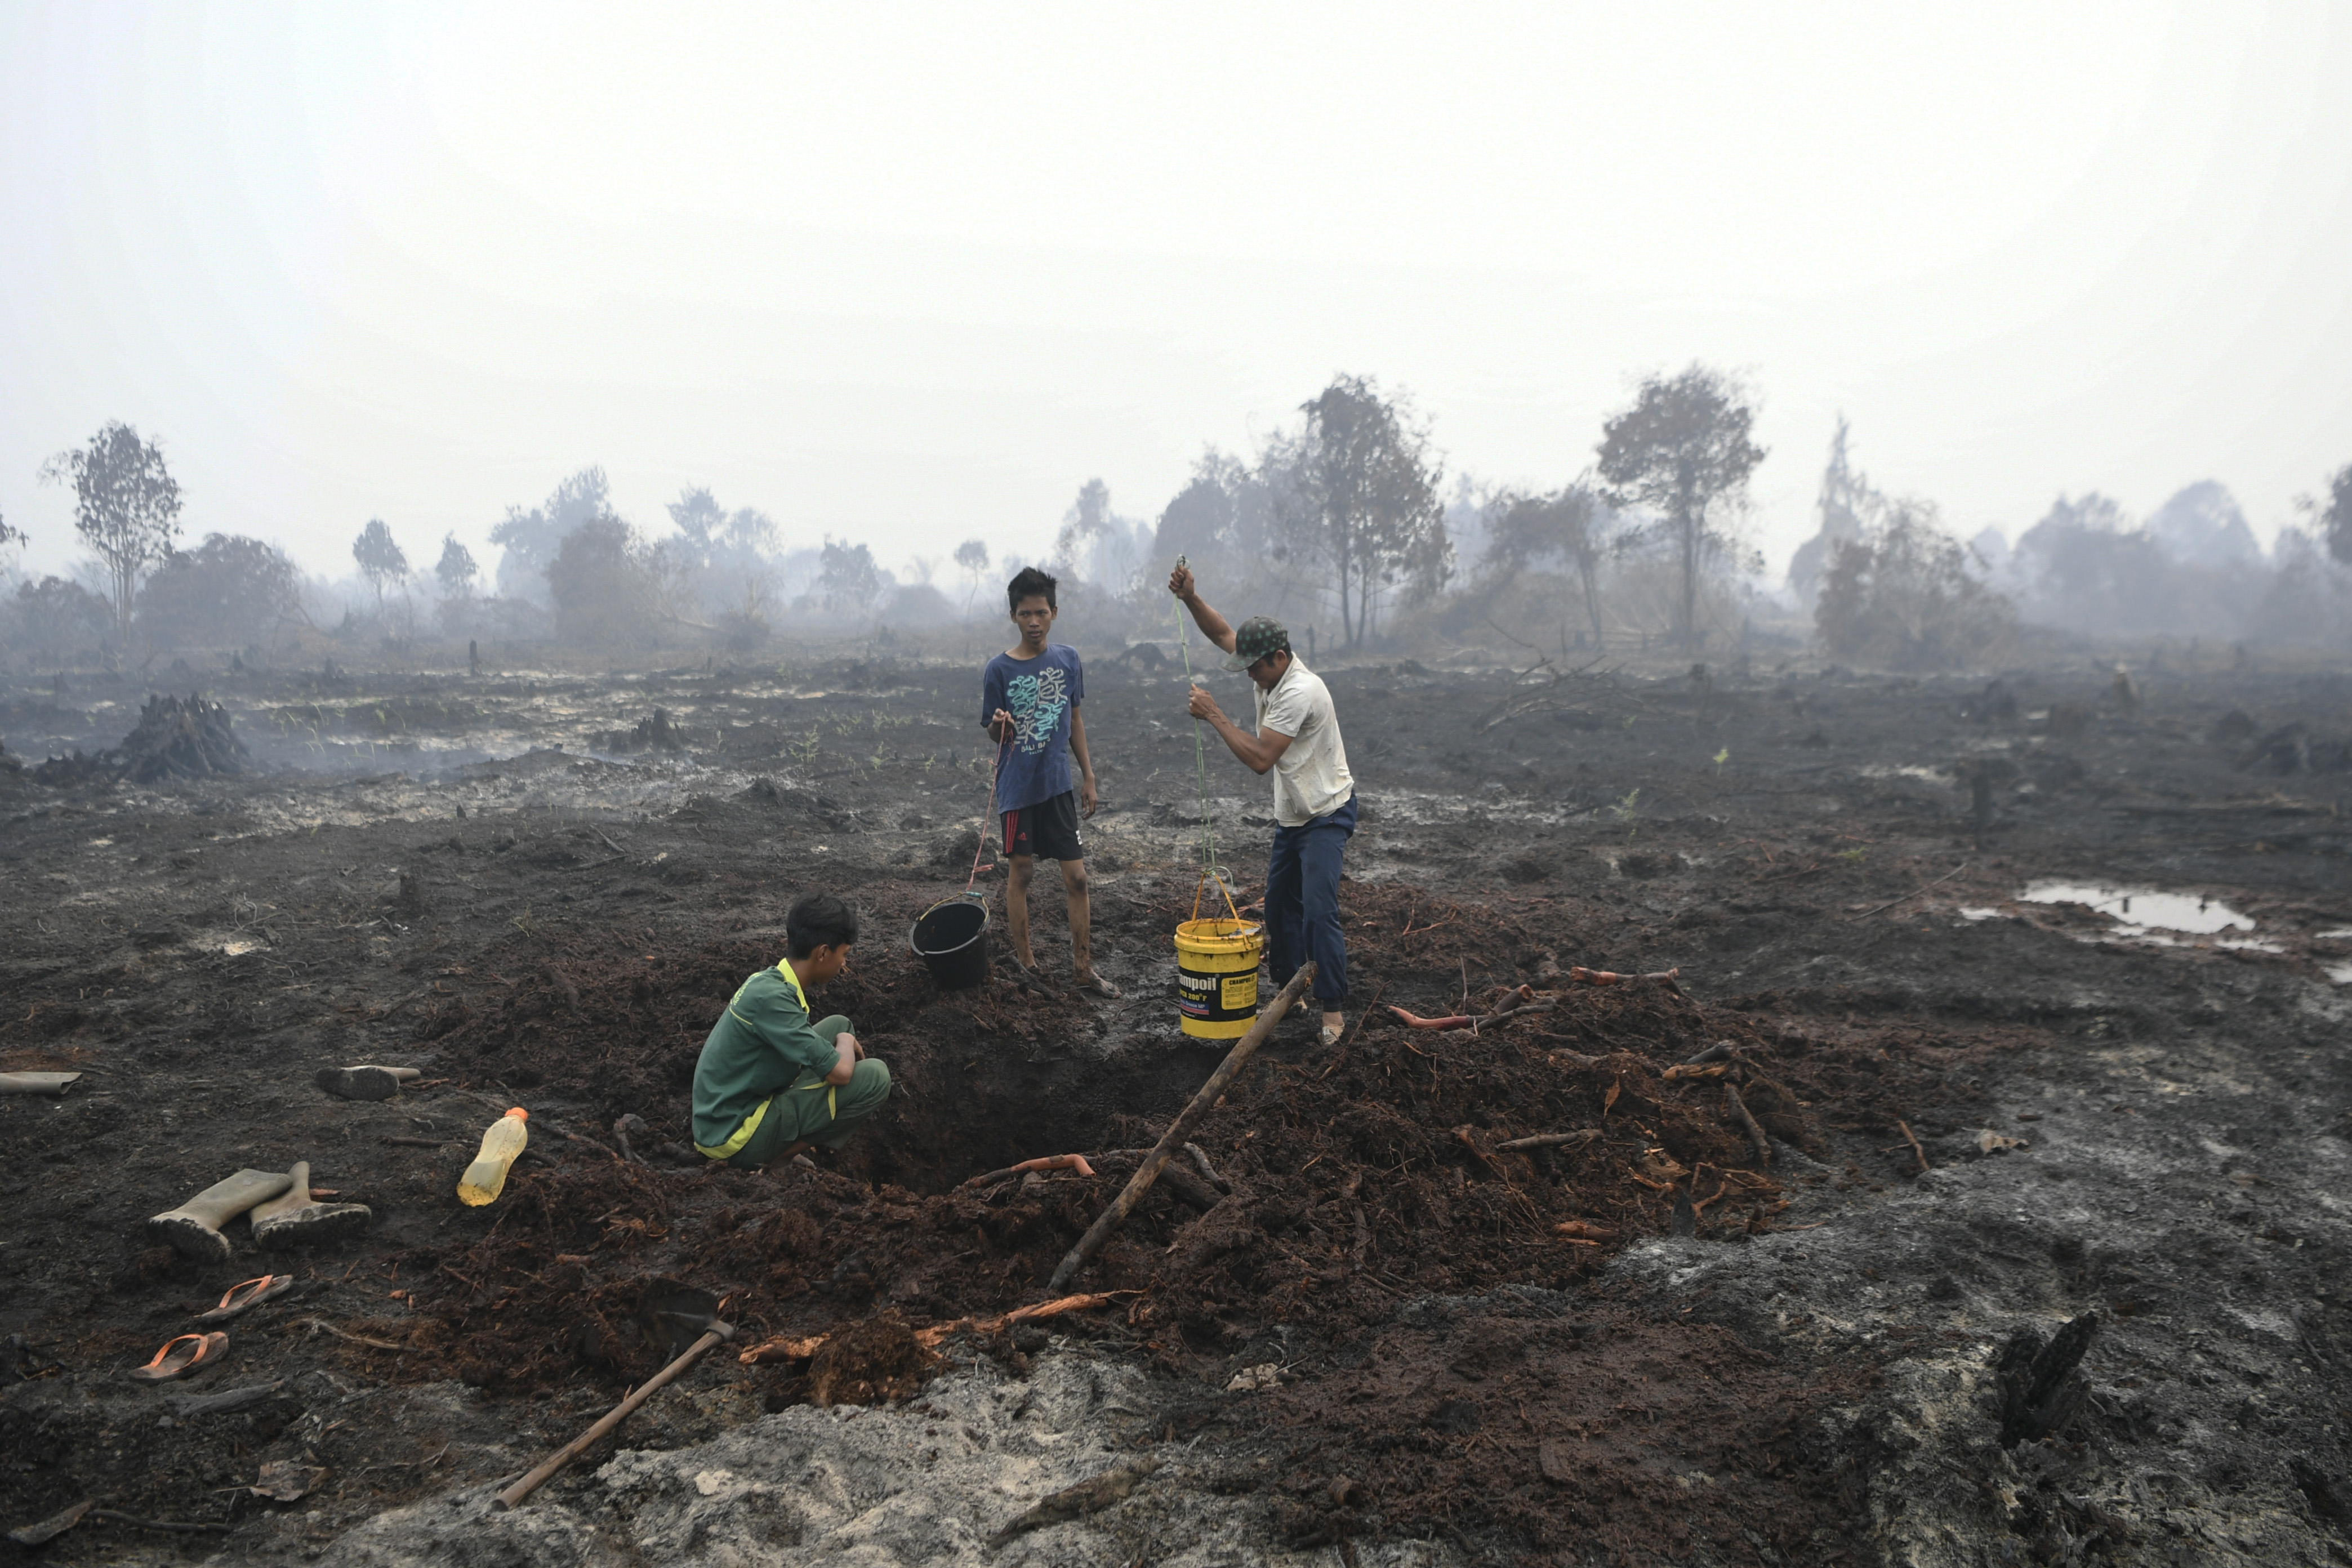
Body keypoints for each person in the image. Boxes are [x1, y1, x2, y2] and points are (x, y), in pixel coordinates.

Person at [1169, 564, 1356, 1046]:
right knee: (1278, 912)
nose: (1249, 673)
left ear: (1279, 656)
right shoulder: (1269, 671)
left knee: (1318, 911)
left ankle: (1333, 1011)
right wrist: (1192, 598)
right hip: (1293, 816)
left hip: (1326, 814)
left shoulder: (1298, 691)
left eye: (1255, 667)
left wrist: (1214, 714)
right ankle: (1292, 994)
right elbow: (1223, 633)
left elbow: (1260, 759)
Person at [981, 566, 1119, 996]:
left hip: (1058, 786)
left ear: (1054, 613)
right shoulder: (998, 671)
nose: (1034, 622)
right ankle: (1026, 965)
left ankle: (1083, 968)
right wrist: (1000, 724)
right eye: (1025, 614)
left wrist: (1089, 777)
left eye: (1041, 612)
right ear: (1013, 617)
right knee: (1021, 873)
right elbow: (991, 730)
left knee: (1077, 878)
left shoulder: (1068, 659)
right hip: (1018, 790)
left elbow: (1075, 718)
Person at [691, 892, 892, 1169]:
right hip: (732, 1136)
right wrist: (846, 1043)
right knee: (875, 1077)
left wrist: (842, 1037)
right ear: (823, 953)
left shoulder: (769, 981)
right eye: (844, 955)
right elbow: (842, 1074)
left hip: (727, 1109)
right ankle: (780, 1156)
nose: (845, 964)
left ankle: (784, 1129)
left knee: (839, 1024)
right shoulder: (773, 1001)